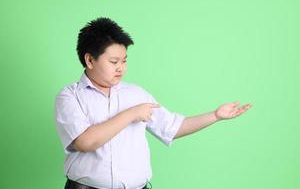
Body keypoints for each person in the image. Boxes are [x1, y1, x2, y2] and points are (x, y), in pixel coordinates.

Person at [54, 17, 252, 189]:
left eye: (124, 61)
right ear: (89, 60)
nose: (121, 68)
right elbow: (85, 142)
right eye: (114, 62)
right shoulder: (70, 96)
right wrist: (131, 114)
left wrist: (215, 116)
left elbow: (173, 127)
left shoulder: (137, 94)